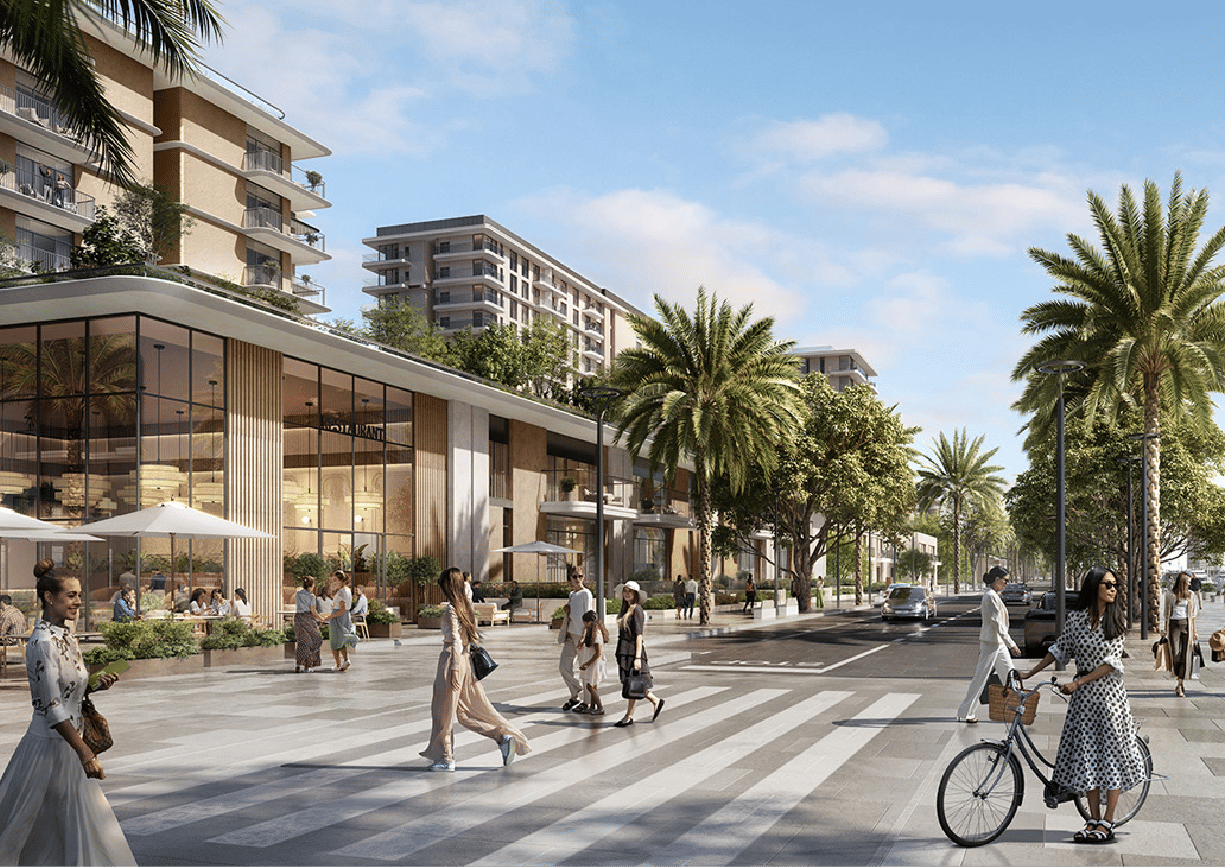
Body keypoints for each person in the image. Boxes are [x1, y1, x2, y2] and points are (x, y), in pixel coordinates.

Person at [0, 558, 136, 866]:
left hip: (69, 747)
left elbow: (68, 689)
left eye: (79, 594)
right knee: (29, 826)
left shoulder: (65, 635)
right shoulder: (43, 641)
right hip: (48, 748)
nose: (78, 601)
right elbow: (51, 707)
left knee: (73, 826)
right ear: (49, 597)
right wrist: (86, 753)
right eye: (71, 595)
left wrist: (96, 683)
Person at [1019, 567, 1145, 844]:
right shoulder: (1076, 619)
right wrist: (1031, 672)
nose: (1113, 589)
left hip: (1109, 699)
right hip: (1084, 704)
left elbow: (1111, 664)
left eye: (1115, 585)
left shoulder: (1117, 620)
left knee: (1109, 759)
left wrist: (1078, 683)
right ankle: (1092, 819)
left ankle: (1107, 822)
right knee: (1088, 759)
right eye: (1107, 584)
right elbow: (1059, 648)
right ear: (1093, 588)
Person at [421, 567, 531, 772]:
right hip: (465, 662)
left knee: (442, 712)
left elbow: (454, 639)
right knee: (463, 713)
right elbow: (469, 640)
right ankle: (502, 736)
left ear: (447, 585)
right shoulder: (466, 606)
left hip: (451, 661)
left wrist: (453, 669)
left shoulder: (452, 609)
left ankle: (446, 757)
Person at [956, 565, 1020, 724]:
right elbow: (996, 624)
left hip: (998, 644)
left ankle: (1017, 709)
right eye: (1005, 580)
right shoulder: (990, 596)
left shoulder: (994, 595)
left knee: (1009, 675)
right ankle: (965, 712)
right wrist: (1011, 644)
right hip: (991, 644)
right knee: (980, 678)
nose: (1007, 583)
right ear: (996, 579)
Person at [613, 581, 663, 727]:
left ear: (636, 594)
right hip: (623, 650)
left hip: (633, 651)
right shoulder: (625, 609)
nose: (627, 593)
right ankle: (655, 701)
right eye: (625, 591)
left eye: (630, 591)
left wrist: (637, 658)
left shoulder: (637, 610)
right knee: (631, 683)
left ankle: (629, 716)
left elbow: (639, 635)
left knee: (633, 682)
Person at [558, 564, 593, 712]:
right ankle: (575, 691)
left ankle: (586, 701)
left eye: (580, 576)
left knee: (584, 668)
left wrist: (584, 636)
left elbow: (589, 615)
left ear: (583, 578)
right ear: (570, 578)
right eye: (574, 576)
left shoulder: (586, 594)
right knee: (563, 667)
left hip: (581, 635)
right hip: (570, 635)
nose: (578, 579)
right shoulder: (572, 594)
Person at [1159, 570, 1200, 697]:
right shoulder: (1170, 595)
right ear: (1182, 583)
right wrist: (1164, 630)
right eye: (1187, 582)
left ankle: (1180, 684)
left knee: (1185, 656)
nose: (1189, 584)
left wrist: (1195, 631)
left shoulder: (1191, 595)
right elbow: (1166, 613)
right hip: (1174, 625)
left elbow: (1193, 615)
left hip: (1186, 625)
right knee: (1175, 655)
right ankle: (1178, 678)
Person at [324, 571, 357, 672]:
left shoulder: (341, 592)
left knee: (334, 642)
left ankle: (338, 665)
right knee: (341, 641)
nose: (333, 582)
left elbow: (341, 609)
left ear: (341, 581)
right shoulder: (346, 590)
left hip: (338, 617)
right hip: (344, 617)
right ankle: (345, 661)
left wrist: (331, 616)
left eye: (335, 580)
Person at [293, 577, 326, 673]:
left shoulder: (298, 594)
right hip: (308, 619)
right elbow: (314, 612)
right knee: (314, 641)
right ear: (312, 585)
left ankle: (298, 665)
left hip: (298, 619)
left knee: (302, 642)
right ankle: (308, 666)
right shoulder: (312, 597)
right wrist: (321, 618)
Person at [578, 610, 608, 716]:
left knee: (590, 686)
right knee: (592, 686)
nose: (584, 625)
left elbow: (598, 654)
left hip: (595, 663)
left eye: (585, 622)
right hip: (592, 662)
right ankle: (592, 706)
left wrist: (587, 664)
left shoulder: (597, 635)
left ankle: (600, 707)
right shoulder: (591, 632)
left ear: (589, 622)